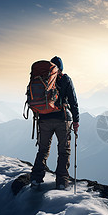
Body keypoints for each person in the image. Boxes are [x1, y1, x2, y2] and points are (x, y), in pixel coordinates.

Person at [30, 56, 80, 190]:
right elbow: (73, 102)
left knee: (43, 150)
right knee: (64, 151)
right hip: (62, 119)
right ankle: (62, 181)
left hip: (44, 118)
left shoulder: (44, 79)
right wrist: (76, 121)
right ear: (61, 68)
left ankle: (36, 178)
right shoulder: (65, 79)